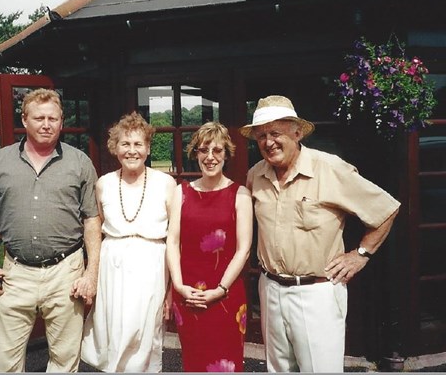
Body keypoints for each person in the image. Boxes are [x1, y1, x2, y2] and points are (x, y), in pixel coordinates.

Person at [239, 95, 401, 372]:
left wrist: (361, 254)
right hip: (270, 289)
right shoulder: (256, 175)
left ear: (297, 132)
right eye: (261, 135)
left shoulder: (329, 168)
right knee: (278, 369)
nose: (268, 142)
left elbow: (385, 209)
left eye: (276, 133)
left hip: (317, 293)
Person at [0, 88, 101, 372]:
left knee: (64, 360)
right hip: (16, 273)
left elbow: (91, 219)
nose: (46, 124)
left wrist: (90, 273)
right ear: (24, 120)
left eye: (53, 118)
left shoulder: (79, 163)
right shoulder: (0, 161)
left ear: (62, 122)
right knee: (5, 362)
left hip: (66, 271)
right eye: (39, 117)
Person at [81, 112, 176, 372]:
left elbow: (175, 240)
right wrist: (91, 275)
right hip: (113, 268)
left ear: (147, 148)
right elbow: (95, 232)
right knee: (112, 331)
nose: (131, 151)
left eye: (138, 144)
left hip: (152, 265)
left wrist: (171, 290)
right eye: (125, 144)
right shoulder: (103, 184)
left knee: (145, 334)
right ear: (115, 147)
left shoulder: (167, 184)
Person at [166, 121, 253, 372]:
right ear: (196, 154)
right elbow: (172, 242)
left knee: (226, 362)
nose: (210, 157)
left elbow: (243, 248)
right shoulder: (181, 193)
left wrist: (221, 289)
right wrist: (179, 286)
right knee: (194, 361)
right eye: (204, 150)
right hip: (188, 294)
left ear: (226, 154)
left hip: (226, 296)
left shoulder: (240, 194)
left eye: (217, 151)